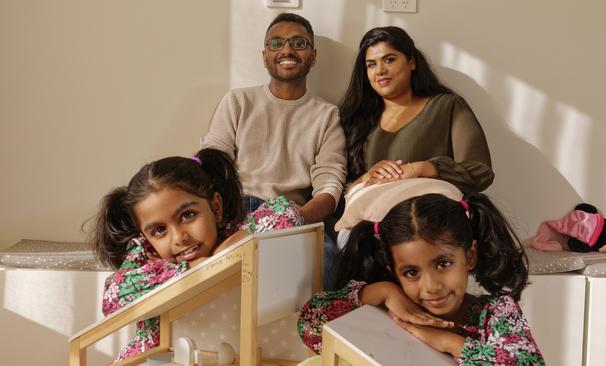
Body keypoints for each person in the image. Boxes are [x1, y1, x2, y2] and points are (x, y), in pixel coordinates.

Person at [90, 148, 302, 362]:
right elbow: (112, 298)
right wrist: (190, 269)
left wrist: (220, 255)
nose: (179, 237)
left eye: (187, 215)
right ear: (146, 236)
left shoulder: (234, 228)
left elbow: (286, 212)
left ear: (216, 208)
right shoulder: (147, 253)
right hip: (155, 357)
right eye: (159, 230)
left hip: (228, 353)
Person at [298, 192, 545, 365]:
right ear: (393, 269)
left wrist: (448, 342)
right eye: (411, 273)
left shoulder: (496, 314)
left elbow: (526, 363)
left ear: (469, 256)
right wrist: (383, 291)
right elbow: (310, 325)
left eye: (443, 264)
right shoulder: (387, 314)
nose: (432, 286)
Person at [200, 13, 346, 289]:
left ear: (313, 57)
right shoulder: (237, 102)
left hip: (295, 216)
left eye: (298, 43)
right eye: (276, 43)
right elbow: (213, 162)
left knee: (328, 264)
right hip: (236, 208)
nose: (287, 50)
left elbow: (329, 186)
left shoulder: (327, 115)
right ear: (265, 55)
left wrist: (290, 218)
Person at [340, 26, 493, 194]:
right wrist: (366, 178)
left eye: (389, 60)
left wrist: (419, 169)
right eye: (371, 65)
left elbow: (481, 172)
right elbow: (340, 195)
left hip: (432, 217)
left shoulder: (448, 106)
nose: (380, 71)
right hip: (370, 216)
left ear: (411, 62)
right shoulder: (357, 118)